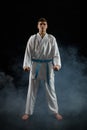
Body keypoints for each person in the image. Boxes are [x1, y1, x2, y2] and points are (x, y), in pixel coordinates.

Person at [22, 17, 63, 120]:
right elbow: (28, 53)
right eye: (40, 24)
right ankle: (28, 112)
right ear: (37, 26)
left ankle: (55, 112)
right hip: (35, 66)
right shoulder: (32, 38)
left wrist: (57, 64)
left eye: (44, 24)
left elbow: (56, 53)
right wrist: (26, 65)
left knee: (51, 90)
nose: (42, 26)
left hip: (48, 66)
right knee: (31, 90)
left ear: (47, 26)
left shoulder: (51, 38)